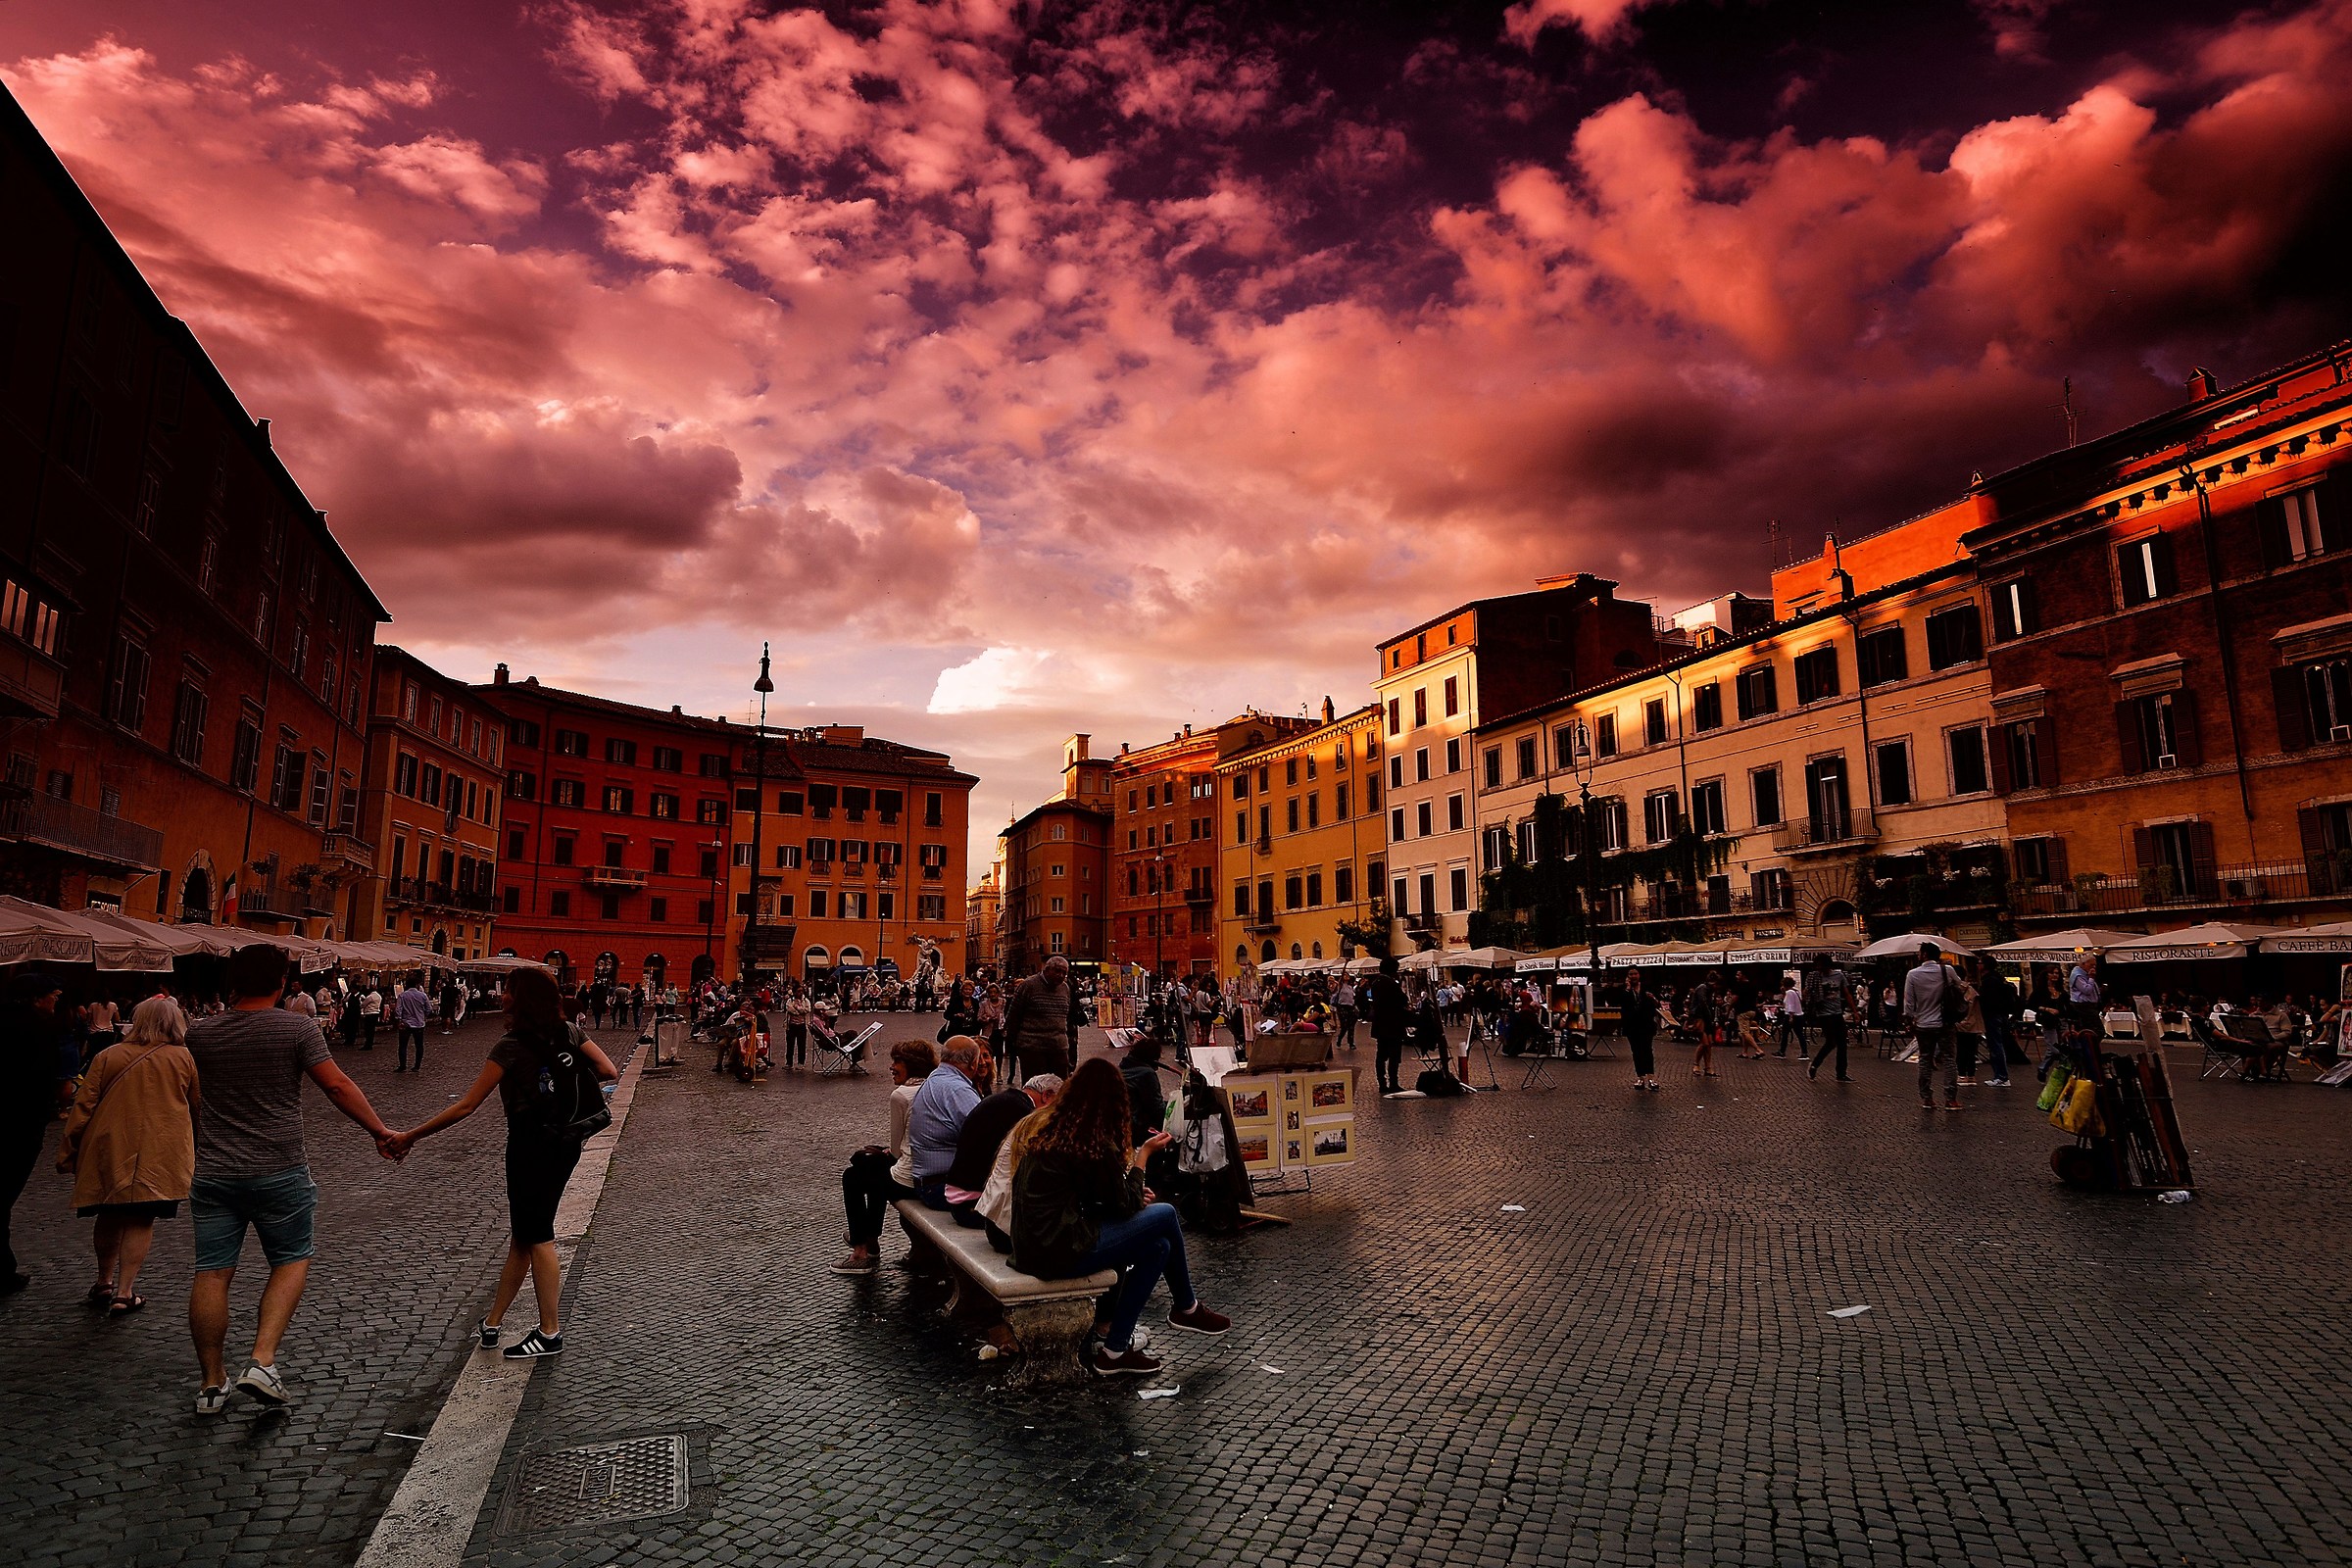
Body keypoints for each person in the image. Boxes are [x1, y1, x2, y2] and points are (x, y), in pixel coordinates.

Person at [188, 943, 397, 1414]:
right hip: (279, 1168)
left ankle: (210, 1383)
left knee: (212, 1272)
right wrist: (379, 1131)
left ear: (234, 982)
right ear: (282, 982)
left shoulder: (200, 1034)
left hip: (215, 1171)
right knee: (290, 1258)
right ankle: (261, 1361)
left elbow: (197, 1098)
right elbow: (336, 1085)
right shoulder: (297, 1028)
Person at [384, 966, 617, 1360]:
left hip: (529, 1147)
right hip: (566, 1142)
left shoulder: (510, 1046)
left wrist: (411, 1136)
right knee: (524, 1236)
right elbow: (608, 1071)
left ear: (520, 998)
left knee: (539, 1235)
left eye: (508, 989)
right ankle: (492, 1323)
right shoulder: (570, 1033)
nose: (503, 994)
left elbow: (466, 1105)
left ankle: (549, 1333)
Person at [1009, 1056, 1231, 1377]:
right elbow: (1123, 1205)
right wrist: (1143, 1157)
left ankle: (1115, 1351)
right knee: (1166, 1214)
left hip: (1037, 1244)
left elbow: (1106, 1199)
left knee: (1159, 1247)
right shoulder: (1094, 1140)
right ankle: (1187, 1308)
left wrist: (1132, 1195)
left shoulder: (1058, 1129)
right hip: (1058, 1248)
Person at [57, 995, 201, 1316]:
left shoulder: (108, 1056)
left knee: (108, 1212)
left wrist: (69, 1150)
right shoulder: (185, 1059)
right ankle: (125, 1291)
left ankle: (103, 1280)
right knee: (141, 1218)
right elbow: (197, 1106)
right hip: (160, 1149)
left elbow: (83, 1106)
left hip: (110, 1145)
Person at [832, 1041, 937, 1274]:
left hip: (914, 1178)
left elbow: (898, 1151)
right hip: (936, 1172)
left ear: (912, 1065)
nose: (891, 1067)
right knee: (874, 1169)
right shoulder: (934, 1087)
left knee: (854, 1176)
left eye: (896, 1062)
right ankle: (870, 1239)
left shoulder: (901, 1095)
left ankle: (861, 1250)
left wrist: (889, 1154)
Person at [1, 974, 75, 1294]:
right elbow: (61, 1086)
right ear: (35, 998)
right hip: (22, 1122)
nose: (55, 1001)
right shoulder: (43, 1029)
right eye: (53, 996)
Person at [945, 1071, 1055, 1226]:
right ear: (1047, 1095)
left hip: (959, 1197)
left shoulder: (1004, 1101)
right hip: (973, 1205)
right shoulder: (1025, 1115)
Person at [906, 1037, 986, 1204]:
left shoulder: (936, 1079)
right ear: (973, 1063)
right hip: (940, 1186)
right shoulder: (957, 1089)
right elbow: (985, 1135)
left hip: (927, 1180)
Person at [1003, 956, 1083, 1079]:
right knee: (1035, 1087)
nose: (1061, 975)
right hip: (1033, 1047)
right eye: (1057, 971)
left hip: (1058, 1047)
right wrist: (1012, 1044)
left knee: (1059, 1086)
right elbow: (1013, 1016)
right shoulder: (1028, 985)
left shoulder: (1065, 988)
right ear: (1047, 970)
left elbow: (1067, 1018)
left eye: (1064, 973)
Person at [1903, 942, 1961, 1110]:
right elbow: (1960, 987)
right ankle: (1950, 1099)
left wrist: (1909, 1020)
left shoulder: (1913, 974)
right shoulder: (1947, 970)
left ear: (1925, 955)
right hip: (1945, 1023)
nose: (1918, 955)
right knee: (1950, 1059)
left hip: (1922, 1024)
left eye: (1920, 953)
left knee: (1925, 1059)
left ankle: (1927, 1098)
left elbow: (1909, 1002)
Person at [1803, 956, 1854, 1082]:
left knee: (1842, 1043)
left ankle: (1841, 1073)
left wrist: (1854, 1011)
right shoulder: (1814, 977)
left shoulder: (1838, 976)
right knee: (1831, 1042)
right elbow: (1806, 993)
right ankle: (1814, 1065)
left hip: (1837, 1013)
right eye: (1818, 967)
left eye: (1822, 966)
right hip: (1823, 1014)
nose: (1820, 969)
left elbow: (1846, 993)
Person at [1366, 957, 1410, 1095]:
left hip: (1380, 1024)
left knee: (1381, 1055)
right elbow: (1402, 999)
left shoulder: (1376, 983)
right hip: (1392, 1024)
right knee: (1393, 1055)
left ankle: (1382, 1083)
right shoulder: (1390, 983)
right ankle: (1393, 1083)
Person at [1613, 971, 1662, 1092]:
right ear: (1627, 977)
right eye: (1630, 974)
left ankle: (1651, 1077)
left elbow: (1658, 1004)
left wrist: (1653, 998)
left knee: (1647, 1050)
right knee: (1636, 1051)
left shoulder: (1647, 987)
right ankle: (1641, 1077)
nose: (1633, 976)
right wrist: (1628, 989)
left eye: (1635, 974)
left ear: (1639, 975)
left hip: (1646, 1024)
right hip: (1632, 1026)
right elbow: (1621, 1003)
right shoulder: (1624, 990)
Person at [1121, 1034, 1168, 1146]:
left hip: (1123, 1122)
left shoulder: (1123, 1067)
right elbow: (1156, 1108)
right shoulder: (1147, 1074)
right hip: (1136, 1126)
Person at [394, 974, 432, 1073]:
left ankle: (402, 1066)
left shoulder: (402, 995)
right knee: (419, 1046)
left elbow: (398, 1010)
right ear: (417, 984)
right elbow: (429, 1009)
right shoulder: (423, 995)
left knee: (403, 1046)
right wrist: (423, 1016)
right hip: (419, 1024)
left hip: (405, 1024)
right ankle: (417, 1066)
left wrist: (399, 1020)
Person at [358, 982, 382, 1050]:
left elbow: (363, 1005)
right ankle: (370, 1043)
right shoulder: (379, 996)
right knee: (372, 1029)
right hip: (376, 1013)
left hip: (370, 1013)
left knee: (368, 1029)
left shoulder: (370, 996)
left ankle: (367, 1044)